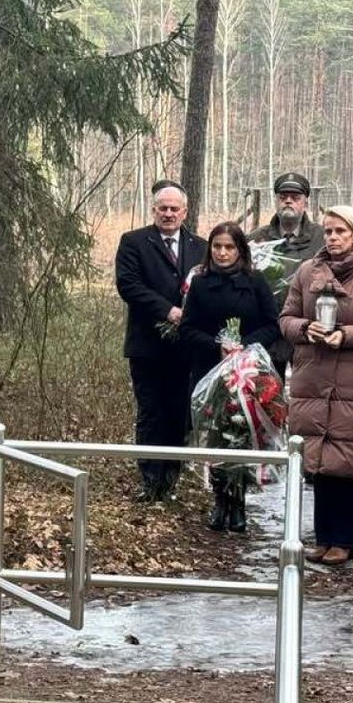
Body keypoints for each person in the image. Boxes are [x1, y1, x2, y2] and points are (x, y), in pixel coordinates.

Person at [279, 205, 353, 565]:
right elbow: (286, 317)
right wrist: (305, 329)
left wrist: (346, 335)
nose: (332, 238)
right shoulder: (307, 272)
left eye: (340, 232)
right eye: (328, 232)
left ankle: (346, 539)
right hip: (313, 379)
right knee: (319, 460)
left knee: (348, 460)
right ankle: (324, 537)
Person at [179, 222, 279, 532]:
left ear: (240, 250)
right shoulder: (200, 283)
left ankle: (239, 504)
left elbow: (272, 325)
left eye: (229, 247)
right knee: (216, 436)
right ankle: (220, 501)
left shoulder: (256, 281)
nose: (222, 253)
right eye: (217, 247)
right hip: (211, 371)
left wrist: (244, 347)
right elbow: (187, 328)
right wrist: (216, 345)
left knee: (243, 436)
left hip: (248, 373)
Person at [116, 184, 208, 502]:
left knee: (180, 413)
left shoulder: (200, 246)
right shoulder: (134, 242)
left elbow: (208, 288)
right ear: (153, 209)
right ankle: (150, 479)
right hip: (148, 346)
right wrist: (167, 311)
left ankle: (171, 477)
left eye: (174, 209)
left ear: (185, 211)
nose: (168, 214)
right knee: (151, 412)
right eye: (162, 208)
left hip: (187, 348)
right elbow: (128, 285)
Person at [249, 172, 326, 376]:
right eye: (283, 197)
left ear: (306, 203)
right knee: (267, 398)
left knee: (308, 397)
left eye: (295, 197)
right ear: (276, 200)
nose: (288, 201)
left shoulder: (323, 238)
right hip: (268, 331)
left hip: (307, 330)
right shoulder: (257, 240)